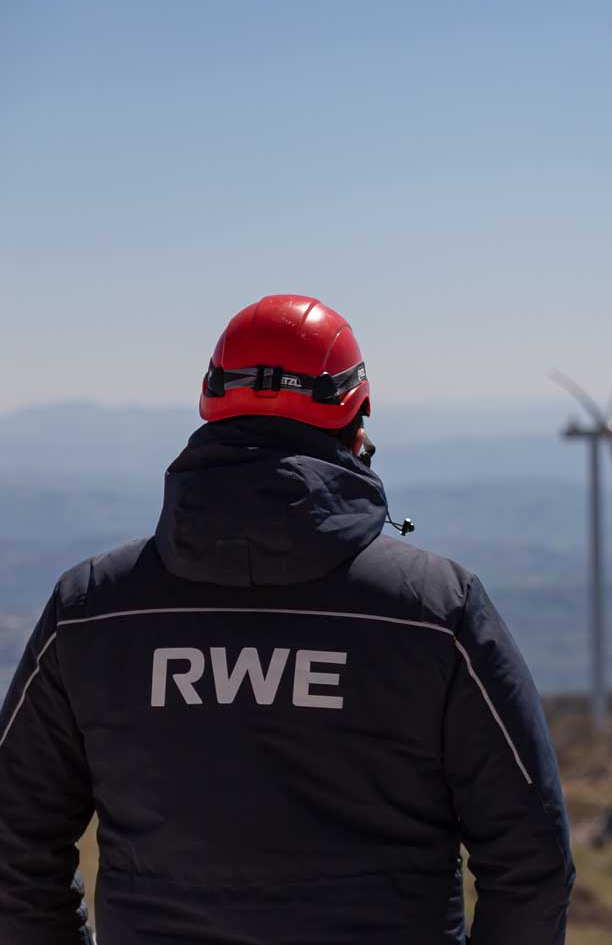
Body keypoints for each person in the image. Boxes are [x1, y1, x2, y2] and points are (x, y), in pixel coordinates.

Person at [0, 294, 574, 944]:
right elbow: (531, 858)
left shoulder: (89, 612)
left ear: (209, 408)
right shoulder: (436, 613)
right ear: (357, 422)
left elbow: (14, 843)